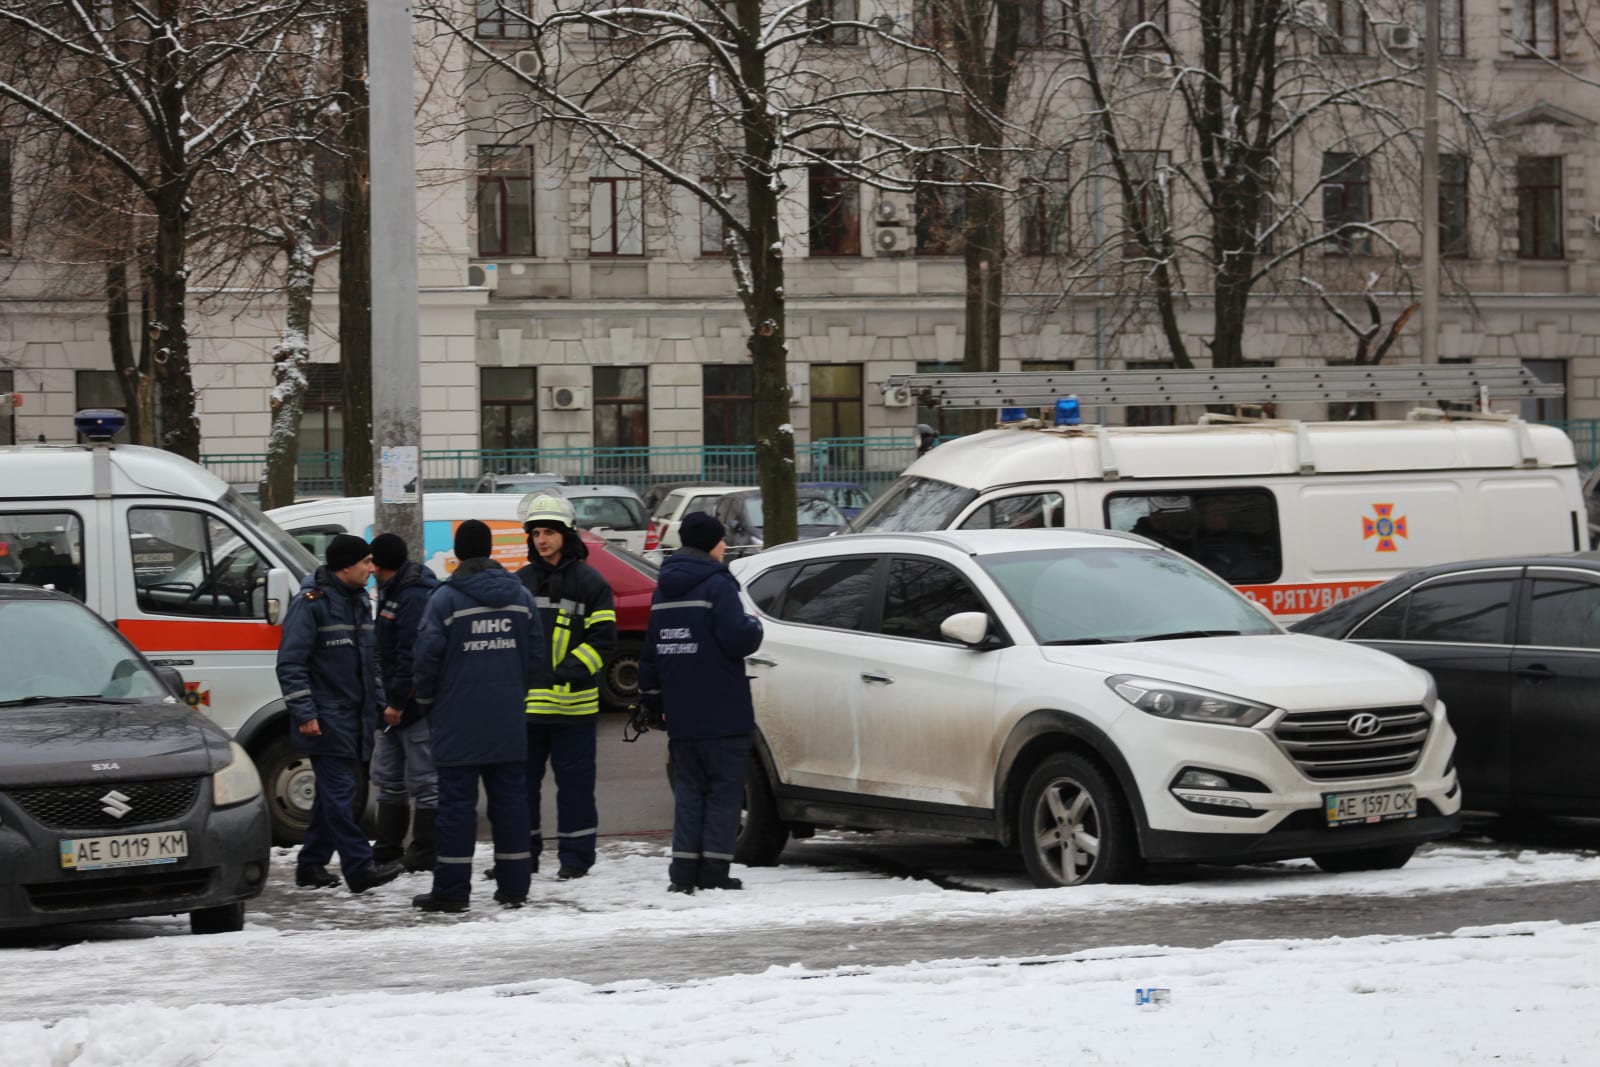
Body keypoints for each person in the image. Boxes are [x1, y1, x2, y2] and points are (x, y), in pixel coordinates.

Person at [410, 519, 547, 912]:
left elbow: (425, 662)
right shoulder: (520, 597)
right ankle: (514, 887)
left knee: (456, 809)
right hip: (508, 719)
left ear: (458, 552)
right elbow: (537, 660)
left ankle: (452, 892)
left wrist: (430, 703)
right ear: (490, 550)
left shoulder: (445, 600)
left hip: (456, 721)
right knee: (510, 804)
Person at [637, 511, 764, 895]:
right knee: (724, 791)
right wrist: (755, 625)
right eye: (721, 541)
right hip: (722, 708)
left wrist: (651, 697)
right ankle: (714, 871)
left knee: (690, 792)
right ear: (710, 543)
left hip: (682, 711)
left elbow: (651, 652)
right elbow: (737, 639)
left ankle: (684, 872)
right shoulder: (717, 585)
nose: (725, 547)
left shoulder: (663, 590)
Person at [275, 533, 403, 894]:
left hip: (354, 718)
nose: (372, 568)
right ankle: (359, 869)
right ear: (345, 566)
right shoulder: (311, 604)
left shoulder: (360, 600)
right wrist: (305, 712)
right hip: (326, 721)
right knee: (342, 793)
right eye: (366, 562)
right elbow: (290, 664)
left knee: (332, 797)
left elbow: (372, 659)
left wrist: (378, 703)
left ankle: (311, 865)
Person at [514, 493, 616, 880]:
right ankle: (521, 856)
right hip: (528, 711)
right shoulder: (520, 582)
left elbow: (603, 641)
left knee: (575, 791)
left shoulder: (591, 583)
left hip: (574, 710)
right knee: (521, 790)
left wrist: (565, 674)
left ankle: (576, 860)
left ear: (565, 535)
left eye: (549, 532)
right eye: (536, 533)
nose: (541, 540)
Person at [368, 532, 441, 873]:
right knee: (389, 778)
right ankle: (387, 849)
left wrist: (397, 701)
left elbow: (411, 655)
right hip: (391, 706)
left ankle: (424, 852)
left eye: (373, 564)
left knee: (425, 781)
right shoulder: (394, 590)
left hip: (411, 707)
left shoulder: (412, 595)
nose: (370, 570)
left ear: (385, 566)